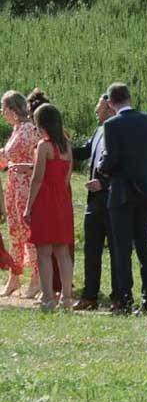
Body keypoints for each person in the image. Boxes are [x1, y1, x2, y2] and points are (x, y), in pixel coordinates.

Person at [97, 83, 147, 315]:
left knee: (122, 248)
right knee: (144, 246)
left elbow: (111, 159)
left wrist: (102, 168)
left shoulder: (111, 124)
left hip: (121, 193)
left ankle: (125, 299)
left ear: (110, 103)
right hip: (145, 191)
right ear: (130, 98)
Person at [23, 103, 74, 311]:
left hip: (45, 200)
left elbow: (37, 179)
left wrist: (28, 208)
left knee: (44, 251)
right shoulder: (67, 146)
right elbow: (67, 177)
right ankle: (67, 298)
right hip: (62, 199)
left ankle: (48, 298)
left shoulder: (44, 146)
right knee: (62, 251)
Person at [72, 93, 119, 310]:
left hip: (114, 200)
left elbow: (124, 165)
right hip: (94, 203)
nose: (95, 110)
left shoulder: (120, 131)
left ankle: (118, 296)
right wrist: (58, 144)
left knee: (117, 251)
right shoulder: (99, 130)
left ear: (110, 107)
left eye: (98, 106)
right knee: (91, 250)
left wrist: (104, 184)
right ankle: (89, 296)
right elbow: (83, 152)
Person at [0, 90, 42, 298]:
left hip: (26, 185)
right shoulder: (16, 129)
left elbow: (40, 157)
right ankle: (14, 276)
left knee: (28, 231)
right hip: (13, 184)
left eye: (3, 108)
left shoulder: (29, 128)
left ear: (11, 109)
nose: (2, 112)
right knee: (14, 231)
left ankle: (36, 278)